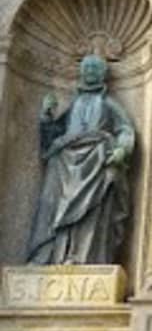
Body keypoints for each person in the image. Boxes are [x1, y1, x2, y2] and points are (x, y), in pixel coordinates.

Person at [26, 55, 136, 267]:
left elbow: (125, 129)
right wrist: (47, 116)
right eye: (86, 68)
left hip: (96, 158)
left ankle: (82, 256)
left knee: (91, 207)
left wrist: (122, 149)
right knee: (54, 206)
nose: (89, 72)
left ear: (103, 74)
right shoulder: (74, 105)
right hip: (65, 162)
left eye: (94, 68)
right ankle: (51, 254)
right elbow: (54, 133)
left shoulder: (108, 104)